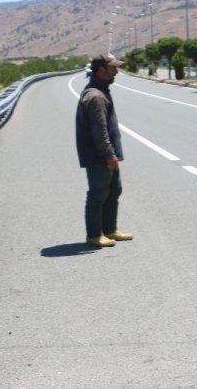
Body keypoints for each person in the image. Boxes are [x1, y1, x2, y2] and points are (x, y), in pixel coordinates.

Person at [75, 53, 132, 248]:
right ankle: (93, 235)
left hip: (107, 154)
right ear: (101, 70)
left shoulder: (102, 91)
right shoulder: (95, 96)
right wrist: (109, 154)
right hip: (99, 156)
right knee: (98, 194)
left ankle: (110, 230)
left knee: (114, 190)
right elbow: (99, 131)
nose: (116, 71)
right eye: (113, 68)